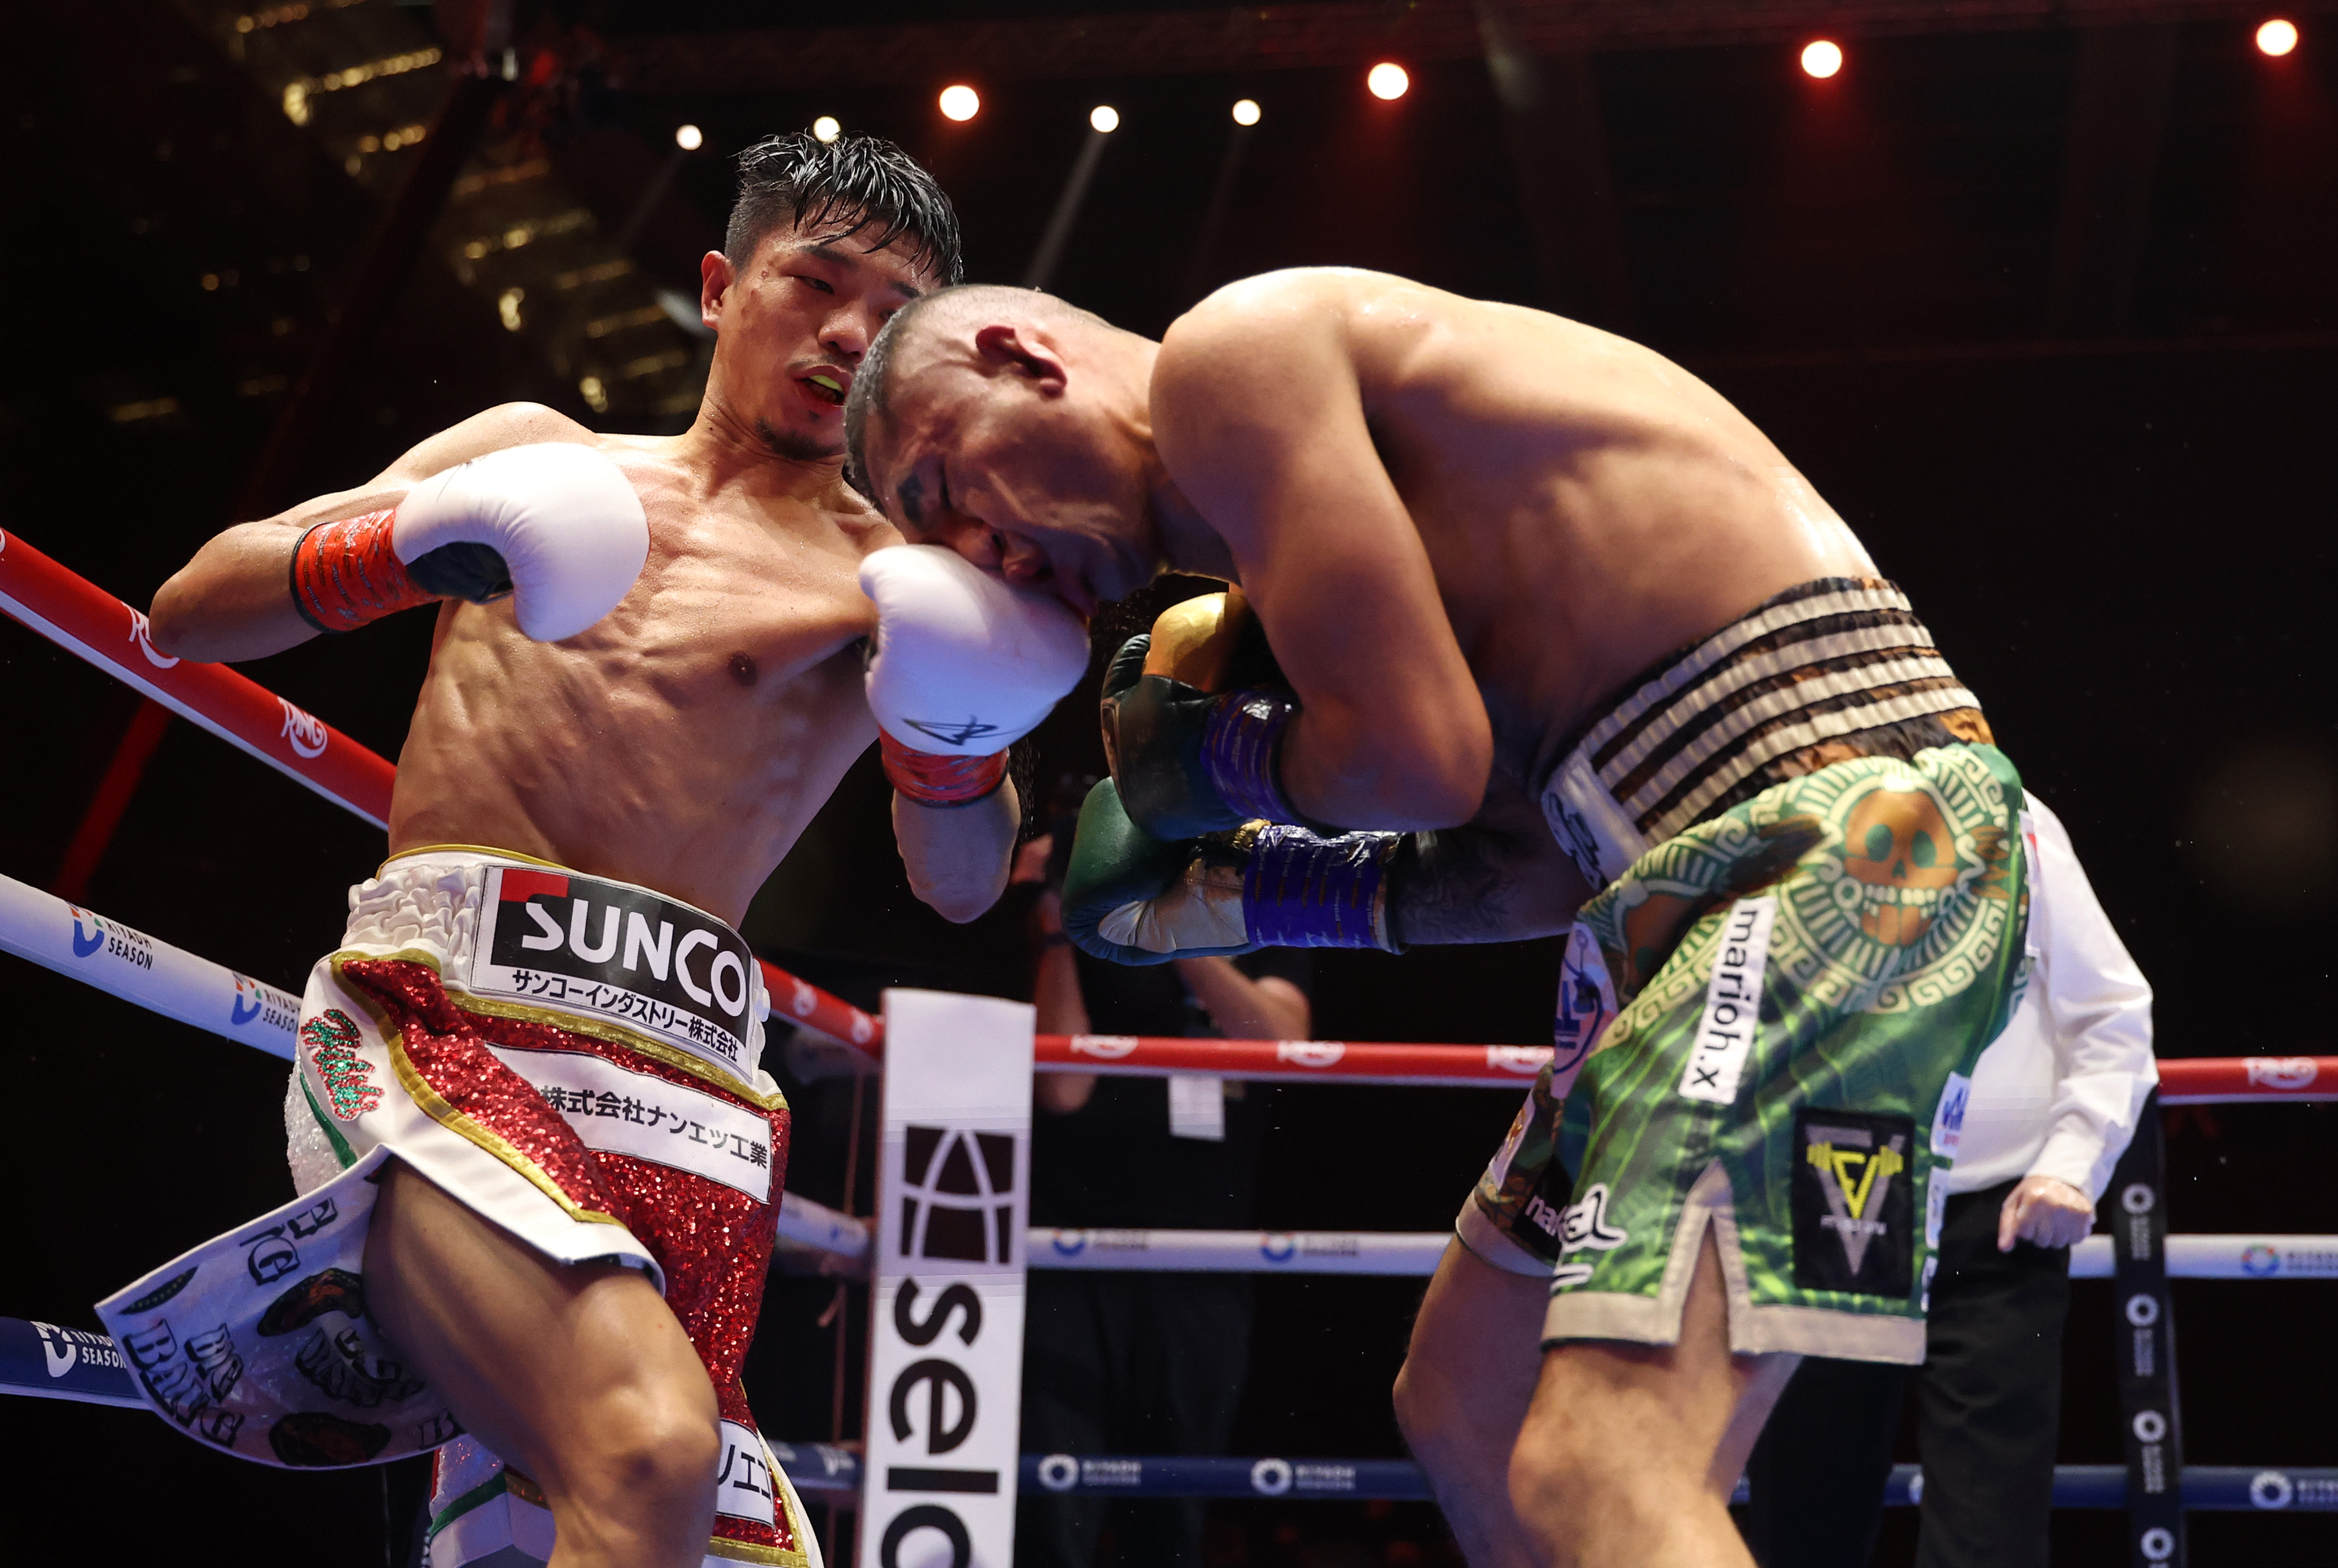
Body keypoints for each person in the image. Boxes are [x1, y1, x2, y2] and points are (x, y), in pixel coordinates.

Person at [839, 271, 2033, 1568]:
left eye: (941, 489)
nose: (978, 553)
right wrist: (1239, 889)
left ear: (1019, 354)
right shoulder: (1312, 563)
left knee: (1603, 1466)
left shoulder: (1229, 357)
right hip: (1686, 892)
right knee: (1468, 1402)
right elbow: (1531, 862)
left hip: (1840, 837)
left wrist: (1217, 767)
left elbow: (1417, 762)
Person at [101, 134, 1091, 1568]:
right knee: (644, 1451)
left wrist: (958, 739)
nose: (845, 337)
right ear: (718, 288)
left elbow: (953, 885)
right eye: (813, 283)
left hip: (684, 1104)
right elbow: (190, 609)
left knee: (619, 1523)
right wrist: (405, 544)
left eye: (892, 323)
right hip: (436, 1039)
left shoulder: (891, 587)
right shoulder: (529, 453)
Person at [1745, 792, 2155, 1568]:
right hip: (1835, 1193)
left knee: (1989, 1532)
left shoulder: (2015, 818)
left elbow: (2109, 1006)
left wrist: (2069, 1164)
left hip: (2001, 1216)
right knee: (1803, 1521)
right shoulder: (1786, 810)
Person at [1011, 822, 1313, 1568]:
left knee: (1171, 1520)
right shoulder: (1088, 914)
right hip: (1072, 1256)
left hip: (1203, 1267)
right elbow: (1063, 1085)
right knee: (1056, 1505)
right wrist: (1056, 922)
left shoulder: (1265, 902)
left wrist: (1175, 928)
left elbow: (1286, 1048)